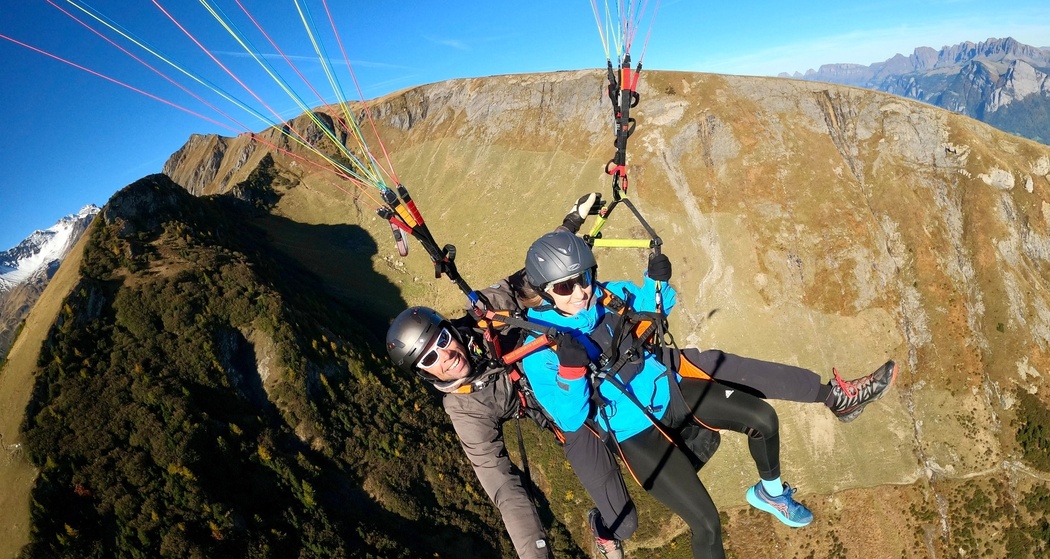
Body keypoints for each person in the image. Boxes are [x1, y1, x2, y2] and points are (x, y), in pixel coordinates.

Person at [518, 229, 897, 559]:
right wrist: (570, 369)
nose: (581, 292)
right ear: (545, 293)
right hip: (633, 433)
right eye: (566, 287)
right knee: (707, 524)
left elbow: (657, 308)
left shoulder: (607, 296)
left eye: (583, 278)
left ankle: (771, 494)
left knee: (762, 419)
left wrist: (656, 283)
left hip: (669, 389)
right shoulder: (540, 351)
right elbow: (570, 418)